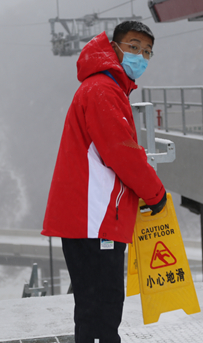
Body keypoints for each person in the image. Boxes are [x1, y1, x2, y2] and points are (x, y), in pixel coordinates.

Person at [41, 21, 167, 343]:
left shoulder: (104, 88)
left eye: (147, 52)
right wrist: (155, 193)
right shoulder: (103, 90)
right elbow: (120, 152)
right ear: (114, 47)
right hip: (94, 220)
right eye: (134, 46)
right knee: (103, 308)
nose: (141, 56)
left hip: (89, 219)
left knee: (92, 309)